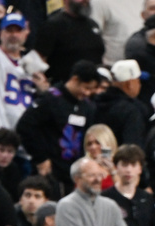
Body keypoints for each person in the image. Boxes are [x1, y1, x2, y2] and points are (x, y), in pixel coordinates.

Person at [16, 60, 100, 191]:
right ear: (74, 79)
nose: (87, 93)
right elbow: (25, 126)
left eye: (91, 90)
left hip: (74, 174)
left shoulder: (88, 107)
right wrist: (40, 158)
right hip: (50, 173)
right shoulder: (50, 99)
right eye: (86, 88)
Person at [0, 10, 45, 138]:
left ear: (25, 34)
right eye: (9, 30)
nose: (13, 35)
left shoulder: (32, 63)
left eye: (18, 31)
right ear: (0, 34)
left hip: (23, 137)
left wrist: (44, 89)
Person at [36, 0, 105, 85]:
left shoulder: (93, 25)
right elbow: (39, 58)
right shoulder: (54, 25)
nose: (85, 1)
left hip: (92, 88)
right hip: (64, 88)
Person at [95, 59, 148, 148]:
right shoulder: (131, 111)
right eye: (138, 80)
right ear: (129, 84)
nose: (140, 85)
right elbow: (133, 147)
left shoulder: (96, 104)